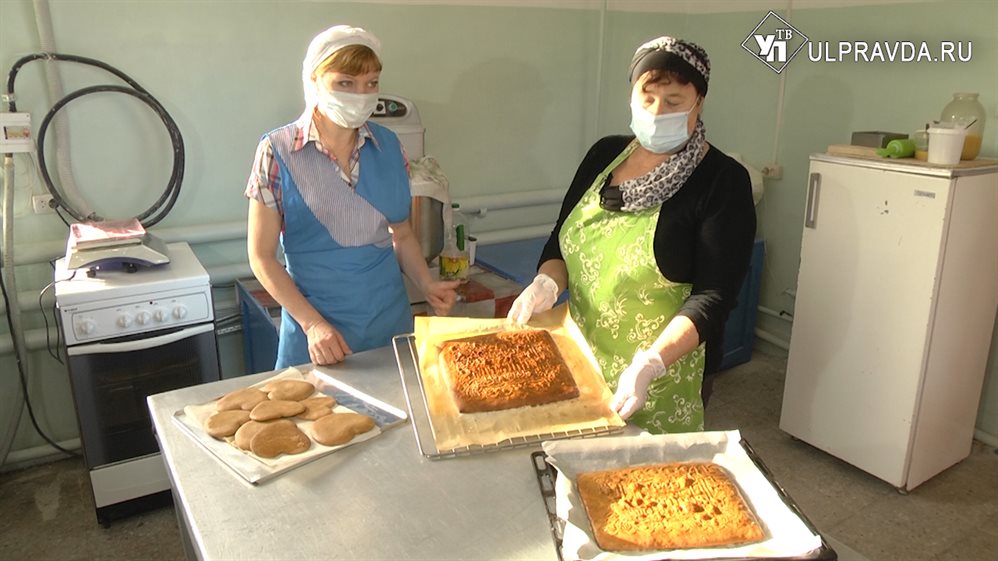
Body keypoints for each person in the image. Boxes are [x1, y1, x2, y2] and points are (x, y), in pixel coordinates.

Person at [507, 36, 756, 434]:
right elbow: (561, 239)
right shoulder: (604, 155)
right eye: (648, 97)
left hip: (658, 380)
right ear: (631, 95)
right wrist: (546, 283)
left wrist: (650, 363)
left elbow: (714, 296)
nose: (658, 111)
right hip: (578, 361)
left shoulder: (722, 181)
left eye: (674, 101)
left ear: (699, 102)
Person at [246, 25, 459, 369]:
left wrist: (427, 282)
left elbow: (401, 234)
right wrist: (313, 324)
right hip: (318, 337)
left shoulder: (389, 147)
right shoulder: (278, 152)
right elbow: (261, 257)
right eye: (345, 83)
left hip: (388, 328)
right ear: (314, 81)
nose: (361, 95)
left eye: (371, 83)